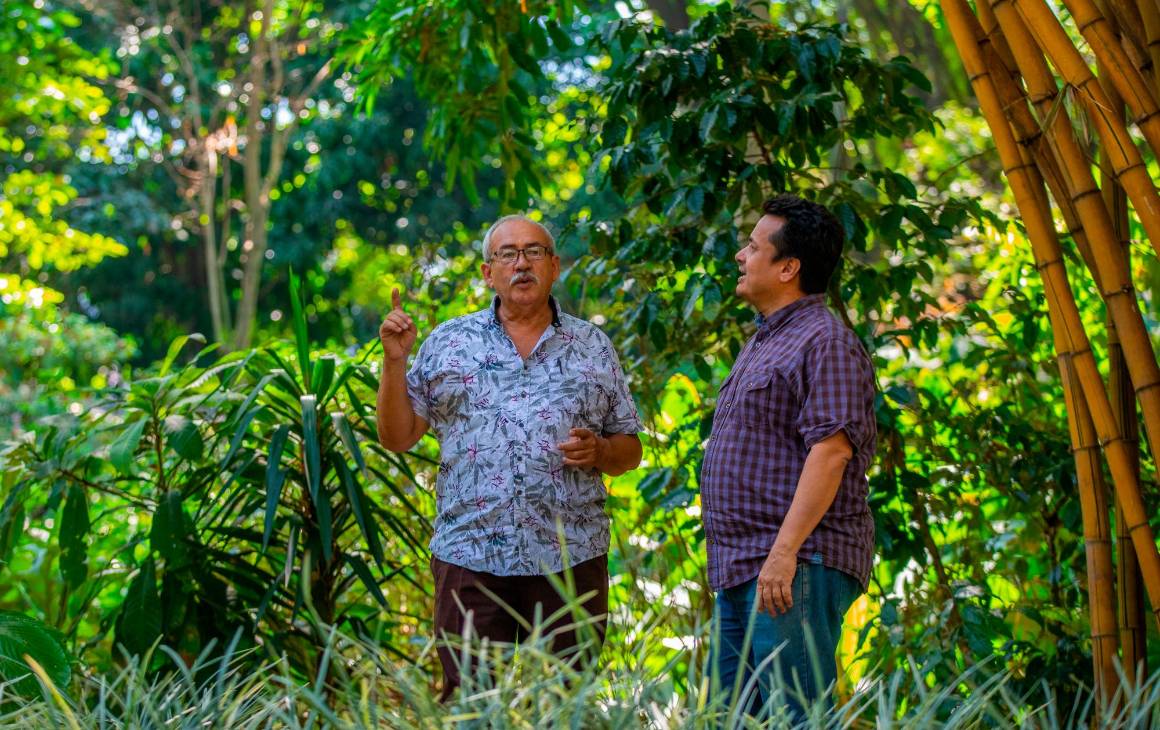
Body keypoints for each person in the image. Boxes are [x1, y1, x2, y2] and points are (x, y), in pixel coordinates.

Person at [375, 214, 643, 700]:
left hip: (570, 558)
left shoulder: (592, 346)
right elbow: (397, 437)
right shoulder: (448, 343)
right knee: (473, 707)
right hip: (470, 557)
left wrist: (600, 450)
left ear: (554, 266)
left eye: (534, 252)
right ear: (487, 272)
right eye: (508, 254)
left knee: (565, 707)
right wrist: (394, 361)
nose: (522, 264)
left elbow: (630, 448)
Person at [700, 195, 876, 721]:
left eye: (753, 247)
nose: (740, 255)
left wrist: (784, 553)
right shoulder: (766, 341)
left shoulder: (825, 341)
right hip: (744, 564)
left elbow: (831, 454)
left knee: (799, 718)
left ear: (787, 267)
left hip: (793, 563)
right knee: (731, 718)